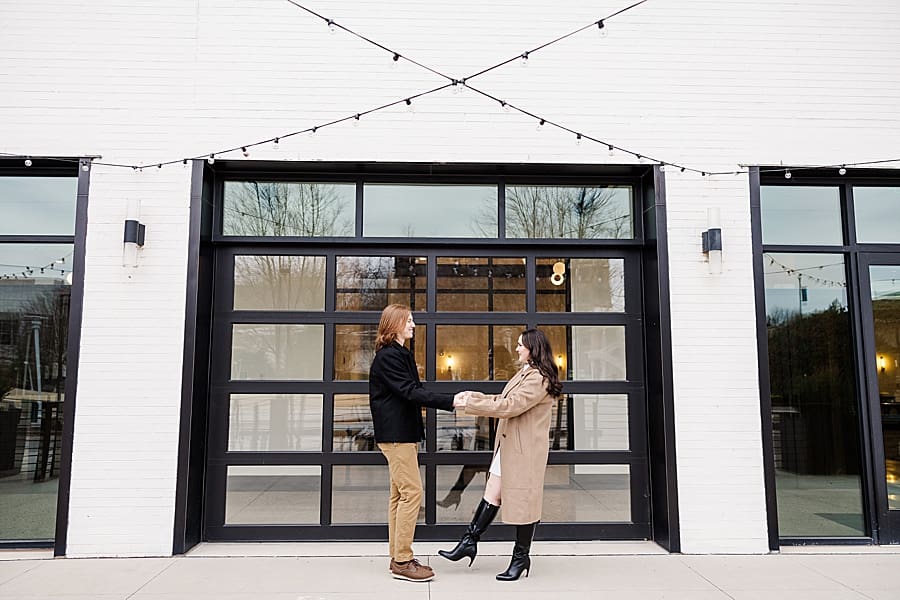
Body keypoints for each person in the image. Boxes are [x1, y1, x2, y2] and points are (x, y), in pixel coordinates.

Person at [438, 328, 562, 581]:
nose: (516, 349)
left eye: (520, 345)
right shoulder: (525, 373)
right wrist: (472, 396)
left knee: (525, 504)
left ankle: (520, 558)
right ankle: (469, 541)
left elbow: (510, 406)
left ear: (532, 348)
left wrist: (469, 405)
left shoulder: (539, 378)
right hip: (509, 447)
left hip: (524, 451)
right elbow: (501, 398)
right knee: (491, 494)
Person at [369, 304, 464, 583]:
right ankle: (402, 561)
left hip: (403, 434)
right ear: (395, 324)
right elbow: (410, 392)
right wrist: (451, 401)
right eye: (409, 321)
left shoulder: (399, 355)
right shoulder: (388, 357)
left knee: (399, 495)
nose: (413, 325)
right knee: (412, 493)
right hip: (396, 435)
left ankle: (398, 555)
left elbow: (412, 392)